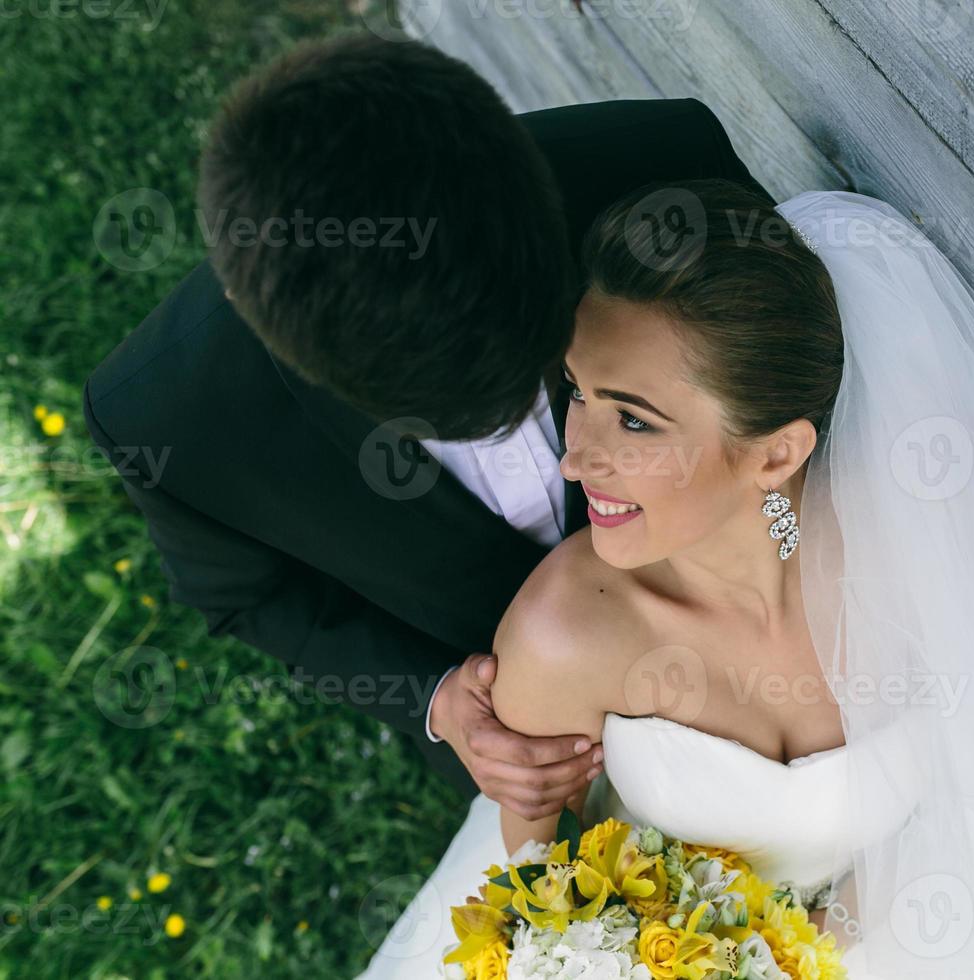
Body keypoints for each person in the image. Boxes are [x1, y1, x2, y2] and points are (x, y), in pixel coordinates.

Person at [363, 179, 974, 979]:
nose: (576, 458)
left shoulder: (920, 549)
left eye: (633, 420)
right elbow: (537, 870)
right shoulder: (565, 633)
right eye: (575, 394)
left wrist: (817, 939)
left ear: (775, 452)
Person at [82, 34, 773, 813]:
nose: (566, 452)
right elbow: (247, 598)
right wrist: (436, 699)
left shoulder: (664, 171)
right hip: (551, 764)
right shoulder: (169, 420)